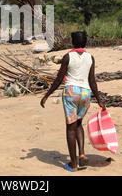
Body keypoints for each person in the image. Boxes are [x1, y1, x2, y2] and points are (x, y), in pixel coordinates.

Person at [40, 31, 105, 172]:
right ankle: (81, 154)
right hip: (86, 93)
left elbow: (58, 79)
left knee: (70, 127)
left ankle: (73, 164)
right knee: (79, 123)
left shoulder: (67, 57)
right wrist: (99, 99)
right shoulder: (90, 57)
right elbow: (92, 81)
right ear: (85, 42)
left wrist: (47, 95)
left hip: (71, 92)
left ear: (72, 42)